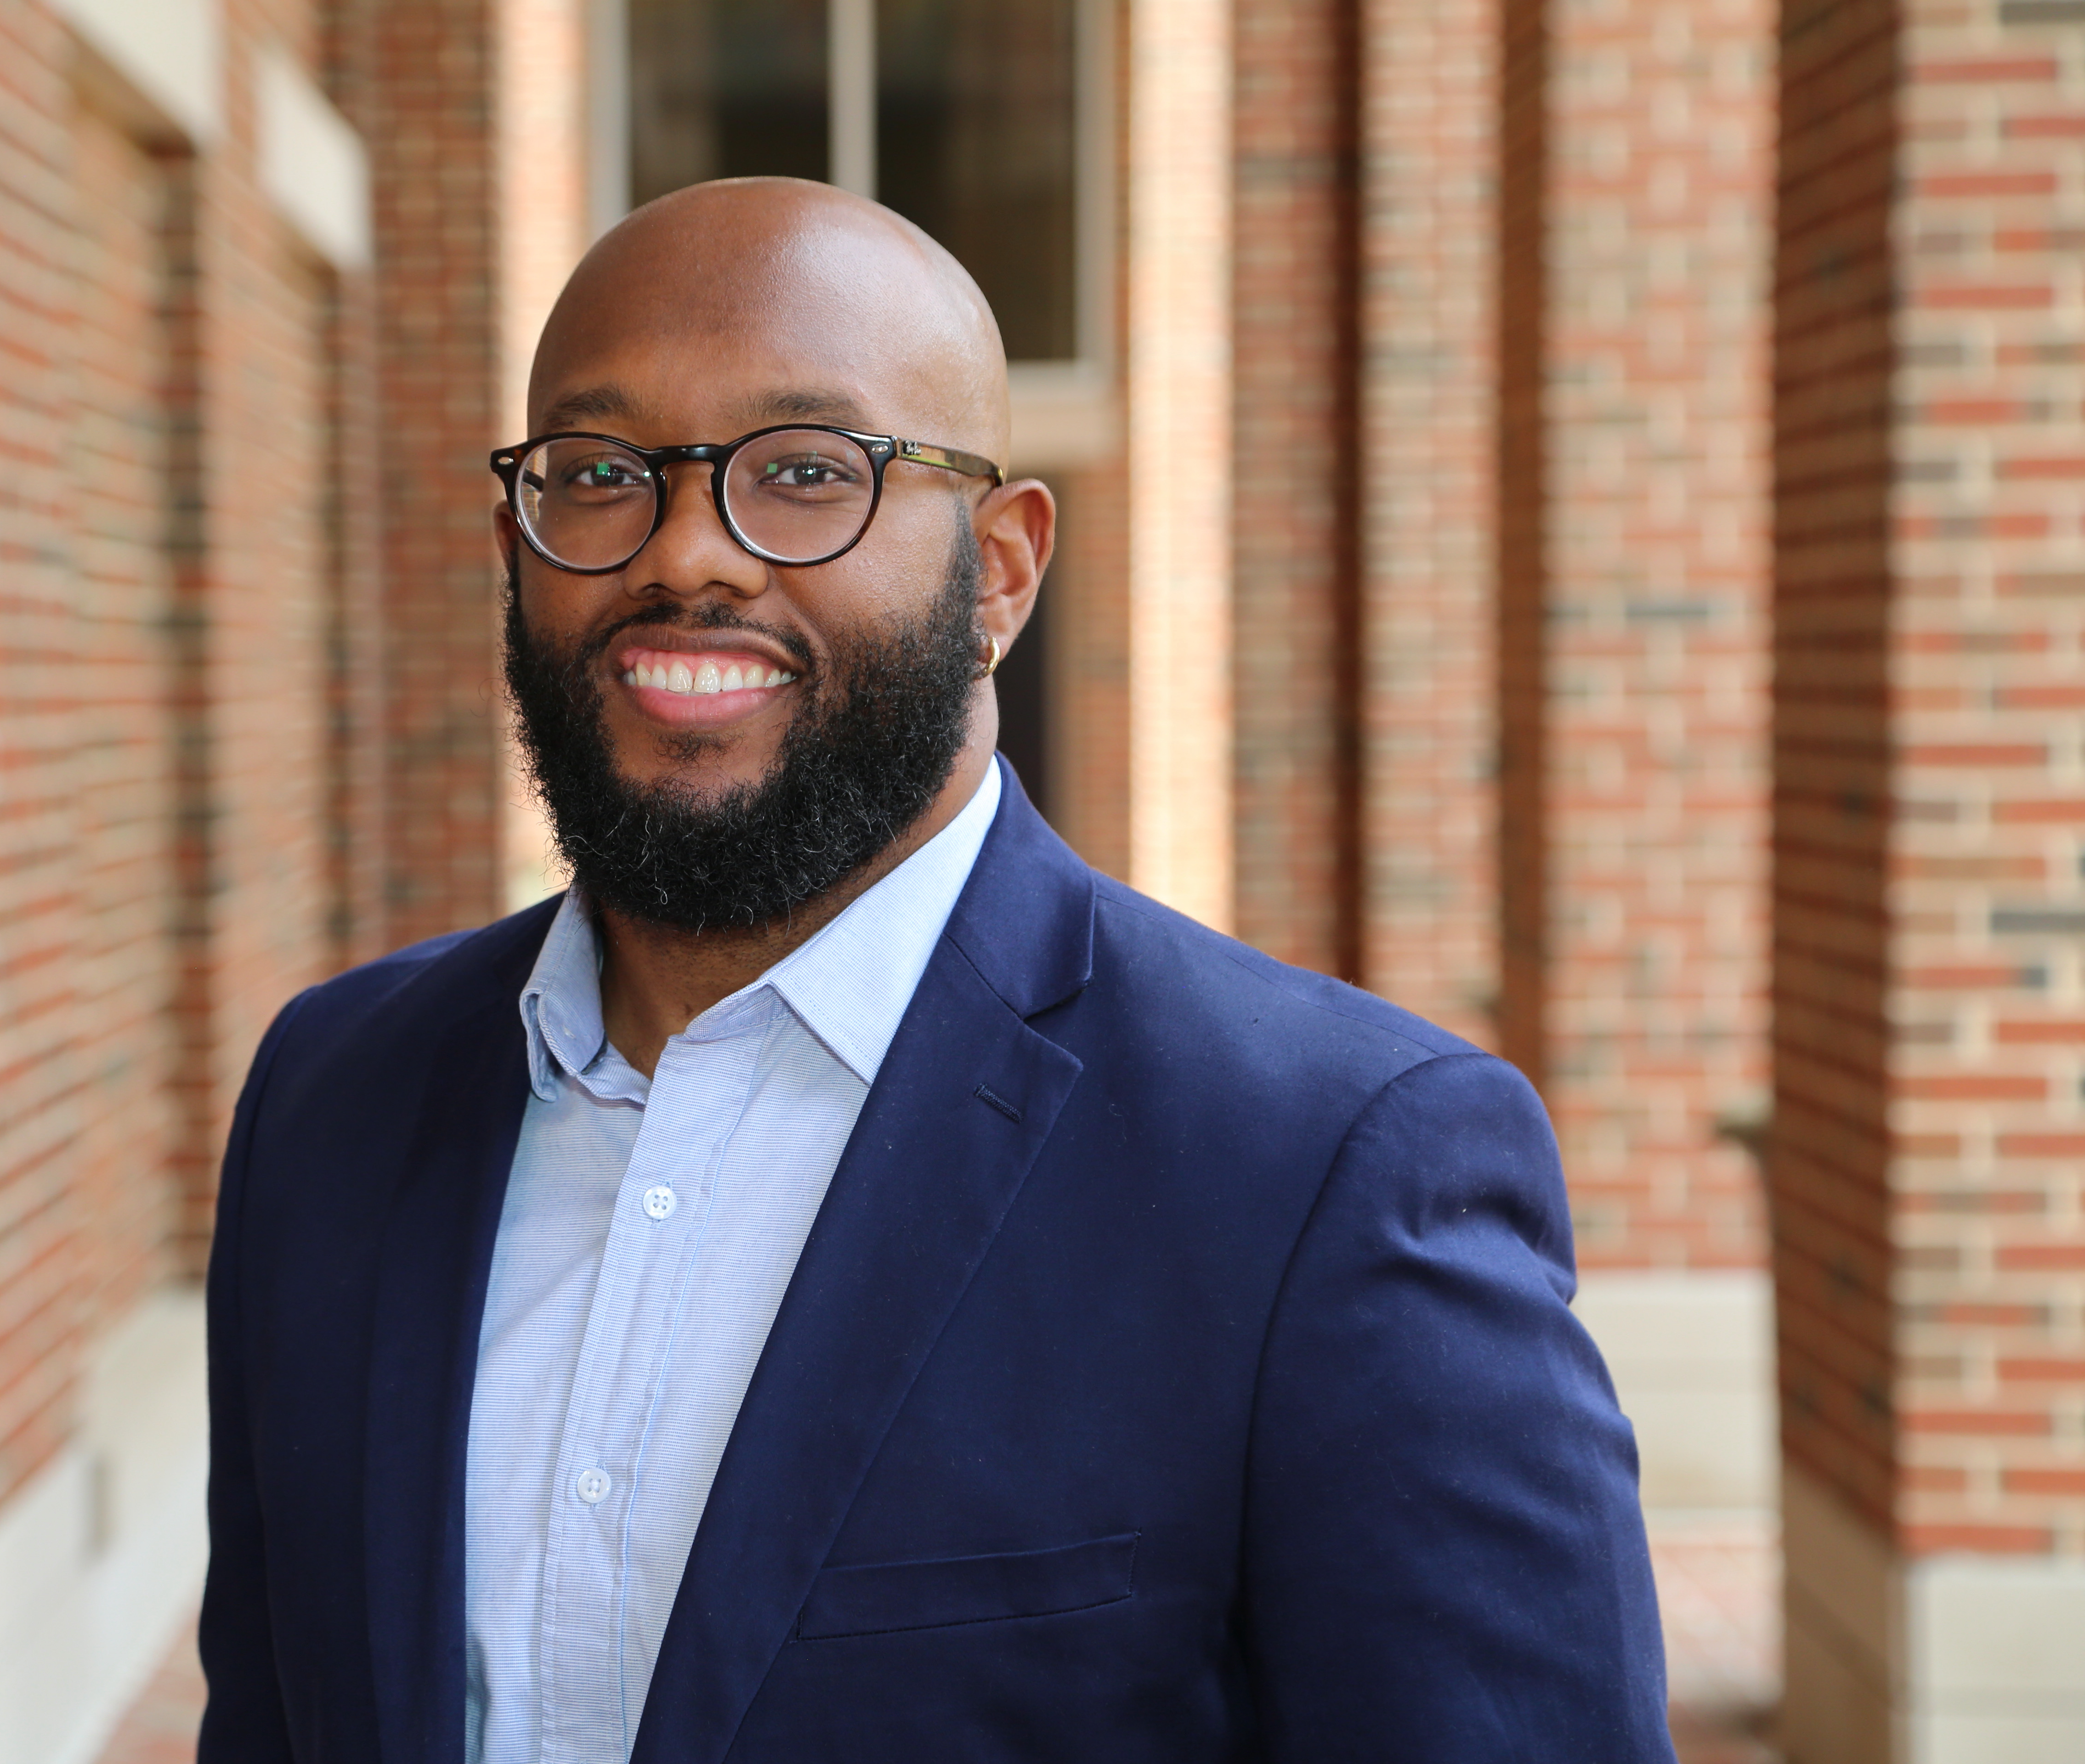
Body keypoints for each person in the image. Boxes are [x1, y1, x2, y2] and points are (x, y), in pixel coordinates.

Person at [197, 178, 1674, 1764]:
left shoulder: (1328, 1171)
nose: (688, 552)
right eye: (603, 473)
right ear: (518, 540)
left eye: (810, 471)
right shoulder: (332, 1102)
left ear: (1004, 571)